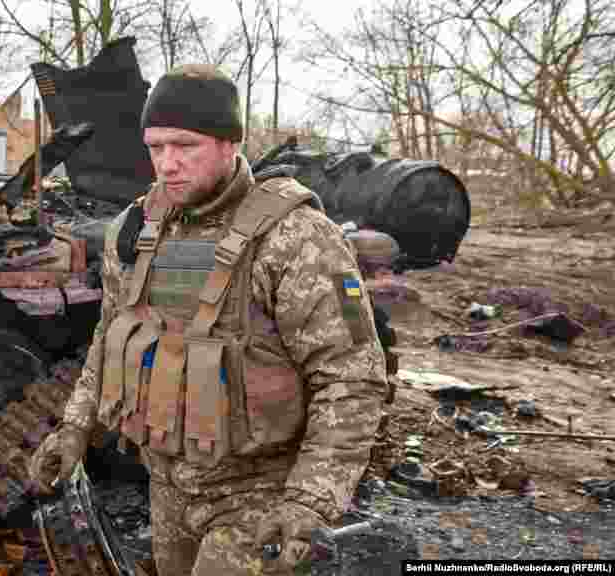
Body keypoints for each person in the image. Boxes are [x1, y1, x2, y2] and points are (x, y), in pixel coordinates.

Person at [27, 64, 389, 575]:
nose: (167, 164)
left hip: (255, 496)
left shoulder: (298, 239)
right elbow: (111, 336)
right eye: (155, 148)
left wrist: (308, 502)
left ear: (229, 143)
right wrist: (74, 429)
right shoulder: (136, 229)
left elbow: (353, 380)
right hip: (167, 488)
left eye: (185, 146)